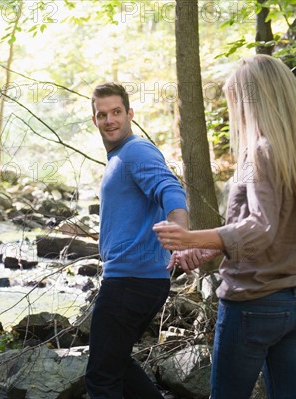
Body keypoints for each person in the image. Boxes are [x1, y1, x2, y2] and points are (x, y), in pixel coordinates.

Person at [153, 54, 296, 398]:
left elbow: (260, 227)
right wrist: (211, 247)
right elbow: (277, 230)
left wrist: (190, 236)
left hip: (253, 304)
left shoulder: (259, 153)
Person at [85, 82, 189, 399]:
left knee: (102, 377)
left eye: (116, 112)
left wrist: (181, 236)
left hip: (130, 282)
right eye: (102, 114)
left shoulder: (135, 151)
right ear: (95, 120)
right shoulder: (118, 157)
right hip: (138, 280)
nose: (110, 120)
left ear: (130, 113)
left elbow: (171, 190)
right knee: (115, 363)